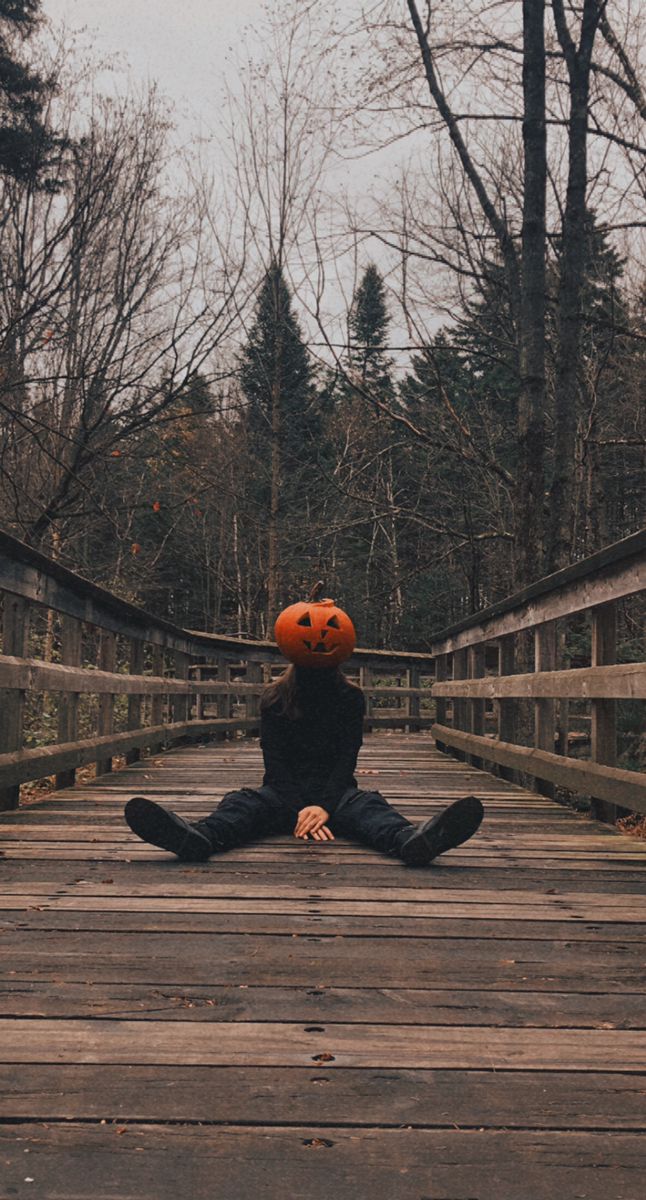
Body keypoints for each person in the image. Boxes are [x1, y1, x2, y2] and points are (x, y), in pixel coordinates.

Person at [124, 660, 484, 867]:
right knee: (241, 804)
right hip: (283, 793)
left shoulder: (350, 698)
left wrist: (323, 806)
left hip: (335, 794)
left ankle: (411, 841)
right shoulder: (275, 698)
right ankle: (199, 837)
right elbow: (275, 762)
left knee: (371, 807)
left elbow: (347, 758)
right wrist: (303, 808)